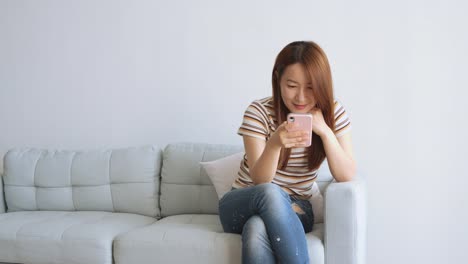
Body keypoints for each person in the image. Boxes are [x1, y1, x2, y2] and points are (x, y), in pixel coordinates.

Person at [218, 41, 356, 264]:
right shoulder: (258, 112)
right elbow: (261, 181)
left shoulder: (334, 113)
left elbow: (347, 174)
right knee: (271, 193)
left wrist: (324, 130)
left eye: (310, 87)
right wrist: (274, 144)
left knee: (256, 228)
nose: (301, 98)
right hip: (241, 202)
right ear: (278, 80)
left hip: (297, 207)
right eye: (292, 86)